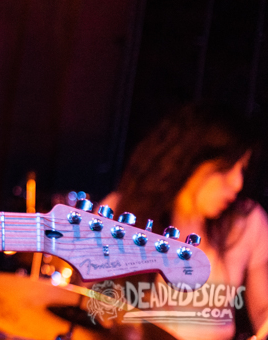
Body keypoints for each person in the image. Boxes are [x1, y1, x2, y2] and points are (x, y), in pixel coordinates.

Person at [102, 103, 268, 340]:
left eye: (242, 169)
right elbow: (89, 304)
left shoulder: (247, 221)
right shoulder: (121, 214)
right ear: (190, 160)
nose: (237, 183)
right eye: (226, 168)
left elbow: (263, 309)